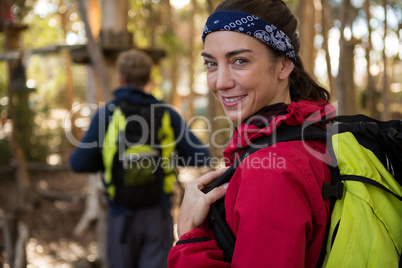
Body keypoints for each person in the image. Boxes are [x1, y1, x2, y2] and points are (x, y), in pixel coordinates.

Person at [168, 0, 336, 267]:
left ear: (284, 65)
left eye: (240, 61)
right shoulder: (312, 133)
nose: (220, 82)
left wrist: (189, 236)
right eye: (211, 64)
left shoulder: (271, 170)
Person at [70, 49, 210, 268]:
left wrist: (111, 161)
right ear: (149, 78)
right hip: (158, 215)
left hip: (120, 216)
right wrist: (168, 158)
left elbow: (78, 163)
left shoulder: (106, 114)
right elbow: (201, 156)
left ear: (120, 77)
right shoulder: (167, 114)